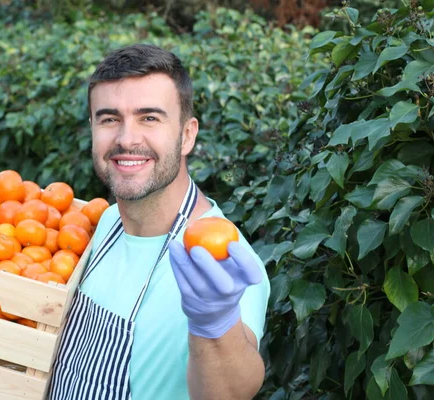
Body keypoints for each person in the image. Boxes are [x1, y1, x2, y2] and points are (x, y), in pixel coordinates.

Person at [49, 44, 271, 400]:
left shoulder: (220, 260)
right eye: (109, 119)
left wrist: (215, 325)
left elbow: (231, 393)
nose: (126, 139)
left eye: (149, 118)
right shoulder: (106, 222)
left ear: (187, 135)